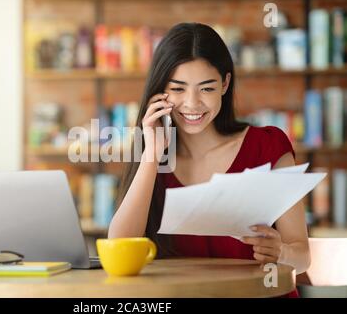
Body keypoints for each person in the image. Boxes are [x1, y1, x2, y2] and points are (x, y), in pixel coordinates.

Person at [108, 23, 310, 297]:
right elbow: (119, 249)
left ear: (225, 84)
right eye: (178, 89)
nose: (192, 104)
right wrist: (151, 155)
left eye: (206, 88)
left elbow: (303, 257)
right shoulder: (152, 156)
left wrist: (281, 252)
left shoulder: (268, 146)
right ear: (160, 92)